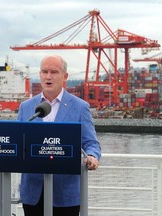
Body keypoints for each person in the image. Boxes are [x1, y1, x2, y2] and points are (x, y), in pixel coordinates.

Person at [17, 55, 101, 216]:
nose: (48, 76)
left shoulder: (80, 107)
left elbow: (91, 143)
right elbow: (18, 142)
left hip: (66, 193)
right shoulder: (26, 107)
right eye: (44, 71)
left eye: (54, 72)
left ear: (65, 76)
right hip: (33, 192)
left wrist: (92, 156)